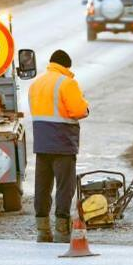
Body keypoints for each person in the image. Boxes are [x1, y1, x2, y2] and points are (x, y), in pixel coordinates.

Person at [27, 49, 90, 243]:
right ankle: (62, 232)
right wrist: (86, 107)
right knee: (65, 187)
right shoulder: (66, 82)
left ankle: (42, 231)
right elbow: (79, 110)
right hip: (62, 143)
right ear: (66, 66)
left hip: (42, 143)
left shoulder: (36, 83)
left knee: (42, 187)